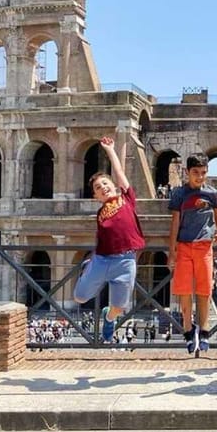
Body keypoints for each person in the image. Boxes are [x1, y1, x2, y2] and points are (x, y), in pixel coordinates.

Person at [73, 134, 145, 343]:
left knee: (118, 307)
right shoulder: (100, 213)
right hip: (102, 260)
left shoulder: (127, 199)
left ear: (114, 186)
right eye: (98, 188)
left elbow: (120, 171)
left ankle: (109, 317)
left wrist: (110, 150)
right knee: (79, 297)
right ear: (96, 197)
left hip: (126, 260)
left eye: (105, 183)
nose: (103, 187)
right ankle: (87, 267)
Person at [168, 152, 217, 354]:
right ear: (187, 172)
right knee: (184, 291)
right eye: (195, 173)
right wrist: (171, 251)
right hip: (184, 245)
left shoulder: (211, 194)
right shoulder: (179, 194)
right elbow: (174, 222)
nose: (199, 177)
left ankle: (205, 330)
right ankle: (188, 329)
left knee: (204, 290)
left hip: (204, 246)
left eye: (203, 173)